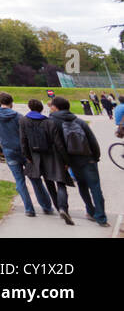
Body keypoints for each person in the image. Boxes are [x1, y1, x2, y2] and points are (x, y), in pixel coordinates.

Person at [49, 95, 108, 227]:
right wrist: (96, 157)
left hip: (72, 161)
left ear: (55, 107)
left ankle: (90, 211)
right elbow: (92, 141)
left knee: (82, 186)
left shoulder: (52, 122)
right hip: (88, 158)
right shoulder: (79, 121)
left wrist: (65, 161)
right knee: (96, 188)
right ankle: (101, 217)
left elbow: (56, 145)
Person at [20, 98, 73, 224]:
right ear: (41, 109)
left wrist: (27, 157)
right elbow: (58, 143)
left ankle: (58, 208)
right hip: (53, 155)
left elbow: (23, 141)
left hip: (36, 157)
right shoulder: (49, 121)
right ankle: (63, 208)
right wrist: (66, 161)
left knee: (49, 184)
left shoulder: (23, 121)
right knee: (61, 183)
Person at [0, 93, 40, 217]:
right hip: (24, 151)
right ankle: (46, 205)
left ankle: (29, 209)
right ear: (12, 102)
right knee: (35, 179)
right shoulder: (18, 116)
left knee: (19, 180)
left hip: (8, 150)